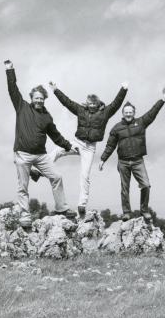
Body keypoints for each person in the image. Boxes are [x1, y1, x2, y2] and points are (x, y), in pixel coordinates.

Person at [29, 81, 128, 220]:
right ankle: (37, 172)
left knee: (85, 175)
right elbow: (67, 102)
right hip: (77, 143)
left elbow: (116, 103)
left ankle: (82, 204)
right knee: (58, 151)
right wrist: (56, 90)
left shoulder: (105, 112)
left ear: (98, 104)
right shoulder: (81, 110)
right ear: (86, 104)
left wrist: (123, 89)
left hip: (90, 147)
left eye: (94, 103)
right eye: (90, 103)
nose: (92, 106)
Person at [4, 59, 75, 227]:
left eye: (42, 98)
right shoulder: (21, 106)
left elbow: (55, 135)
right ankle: (25, 216)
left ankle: (62, 208)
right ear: (32, 98)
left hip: (41, 156)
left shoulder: (47, 117)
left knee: (56, 176)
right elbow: (12, 87)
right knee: (23, 186)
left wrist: (68, 146)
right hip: (22, 154)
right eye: (36, 98)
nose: (39, 101)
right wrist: (10, 70)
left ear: (45, 99)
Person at [98, 90, 165, 223]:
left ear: (134, 113)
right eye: (126, 112)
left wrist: (163, 98)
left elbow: (152, 112)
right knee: (125, 188)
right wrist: (103, 159)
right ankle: (126, 212)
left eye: (130, 112)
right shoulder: (116, 128)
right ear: (123, 113)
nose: (128, 114)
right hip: (123, 162)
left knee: (146, 185)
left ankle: (144, 210)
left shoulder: (141, 122)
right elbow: (110, 145)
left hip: (138, 161)